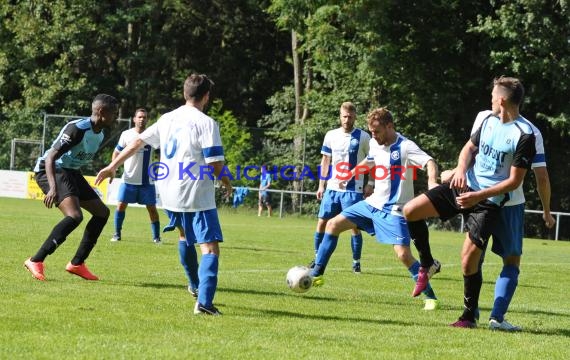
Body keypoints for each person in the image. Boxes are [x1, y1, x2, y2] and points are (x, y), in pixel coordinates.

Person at [403, 76, 536, 328]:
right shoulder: (487, 120)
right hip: (464, 186)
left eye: (493, 96)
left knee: (468, 261)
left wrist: (478, 196)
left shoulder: (524, 135)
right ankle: (428, 263)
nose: (490, 100)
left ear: (502, 100)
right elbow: (468, 148)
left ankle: (467, 317)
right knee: (411, 210)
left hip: (489, 202)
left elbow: (514, 182)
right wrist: (461, 170)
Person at [96, 74, 232, 316]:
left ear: (184, 93)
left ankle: (193, 284)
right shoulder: (206, 123)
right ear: (206, 96)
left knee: (184, 237)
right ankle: (204, 303)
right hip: (195, 192)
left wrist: (112, 165)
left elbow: (138, 142)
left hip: (168, 192)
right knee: (209, 248)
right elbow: (215, 163)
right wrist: (226, 181)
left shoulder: (167, 118)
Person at [310, 107, 441, 310]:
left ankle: (430, 297)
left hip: (393, 210)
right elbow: (370, 160)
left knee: (403, 255)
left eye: (377, 131)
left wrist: (432, 181)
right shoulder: (374, 142)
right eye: (371, 132)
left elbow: (429, 161)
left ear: (389, 127)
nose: (374, 136)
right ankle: (317, 273)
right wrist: (351, 173)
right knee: (333, 224)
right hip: (370, 205)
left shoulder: (405, 147)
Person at [439, 110, 555, 331]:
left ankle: (470, 313)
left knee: (474, 257)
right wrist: (546, 210)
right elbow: (542, 177)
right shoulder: (531, 132)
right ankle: (497, 318)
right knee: (510, 261)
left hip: (478, 197)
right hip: (509, 204)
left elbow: (474, 154)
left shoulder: (484, 117)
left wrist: (457, 171)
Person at [24, 94, 119, 281]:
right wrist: (53, 188)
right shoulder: (77, 128)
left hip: (70, 172)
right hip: (50, 170)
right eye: (114, 112)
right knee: (75, 216)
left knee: (102, 213)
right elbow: (51, 157)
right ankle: (36, 260)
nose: (116, 116)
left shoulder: (100, 133)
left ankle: (77, 263)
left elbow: (75, 159)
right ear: (101, 112)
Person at [311, 102, 371, 273]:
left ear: (355, 117)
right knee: (322, 222)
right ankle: (317, 258)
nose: (347, 120)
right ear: (340, 116)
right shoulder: (331, 135)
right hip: (332, 188)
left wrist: (371, 183)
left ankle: (356, 262)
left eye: (350, 117)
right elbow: (325, 161)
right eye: (344, 116)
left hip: (353, 190)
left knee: (353, 227)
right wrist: (321, 185)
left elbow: (373, 161)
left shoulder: (364, 137)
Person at [110, 108, 161, 243]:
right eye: (139, 117)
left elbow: (163, 152)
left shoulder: (152, 135)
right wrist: (113, 168)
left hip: (147, 182)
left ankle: (156, 238)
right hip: (128, 179)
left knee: (152, 209)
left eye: (144, 117)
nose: (142, 119)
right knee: (120, 205)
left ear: (147, 119)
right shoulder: (126, 135)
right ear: (134, 119)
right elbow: (116, 152)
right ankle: (117, 234)